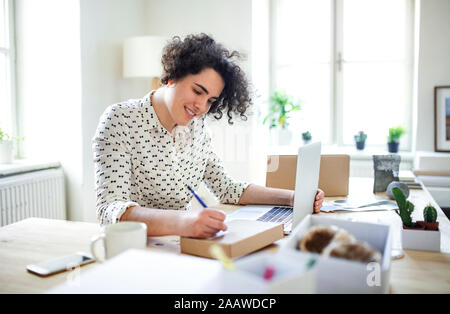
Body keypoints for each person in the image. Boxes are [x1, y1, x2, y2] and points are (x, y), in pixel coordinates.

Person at [92, 33, 324, 239]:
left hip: (179, 244)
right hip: (134, 249)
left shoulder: (197, 126)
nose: (202, 107)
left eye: (211, 101)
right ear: (172, 76)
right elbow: (110, 209)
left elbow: (226, 188)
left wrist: (293, 198)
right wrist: (184, 222)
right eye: (197, 91)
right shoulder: (120, 119)